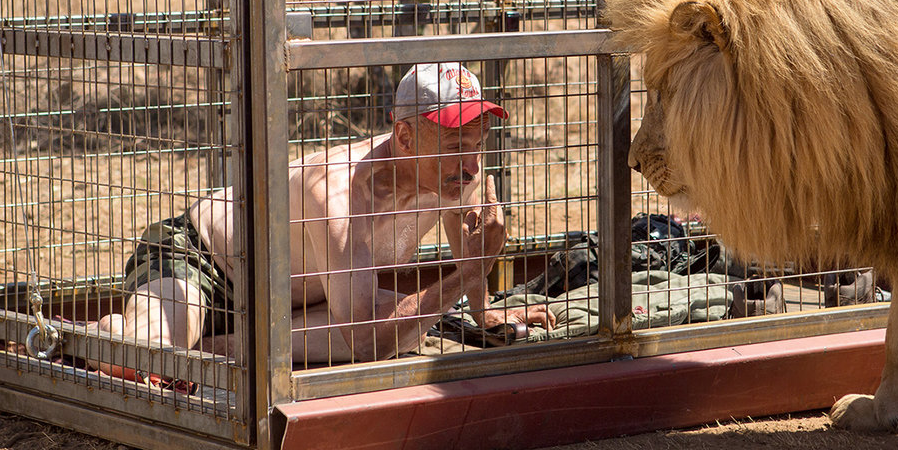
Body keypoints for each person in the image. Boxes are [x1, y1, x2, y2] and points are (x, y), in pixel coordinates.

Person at [89, 62, 553, 376]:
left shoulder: (460, 170)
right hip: (202, 262)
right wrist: (469, 272)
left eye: (477, 141)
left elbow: (462, 245)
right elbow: (369, 342)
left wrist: (482, 309)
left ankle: (219, 351)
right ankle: (95, 337)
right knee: (147, 359)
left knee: (407, 330)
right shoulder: (336, 194)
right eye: (457, 145)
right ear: (406, 137)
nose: (473, 163)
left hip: (286, 303)